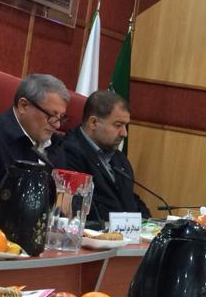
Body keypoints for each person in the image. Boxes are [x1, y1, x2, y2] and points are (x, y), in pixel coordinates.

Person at [61, 90, 150, 224]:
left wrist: (149, 224)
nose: (124, 133)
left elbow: (130, 198)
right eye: (118, 125)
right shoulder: (69, 153)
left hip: (125, 234)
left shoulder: (119, 158)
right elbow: (80, 209)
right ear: (93, 123)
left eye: (125, 126)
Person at [0, 73, 69, 193]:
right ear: (23, 106)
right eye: (52, 115)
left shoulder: (55, 143)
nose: (57, 125)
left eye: (61, 117)